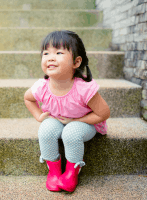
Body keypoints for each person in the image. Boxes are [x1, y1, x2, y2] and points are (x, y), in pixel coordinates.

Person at [24, 30, 110, 192]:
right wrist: (38, 115)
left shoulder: (83, 89)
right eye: (46, 53)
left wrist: (77, 121)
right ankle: (54, 172)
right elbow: (28, 98)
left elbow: (103, 113)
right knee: (45, 129)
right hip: (56, 119)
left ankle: (72, 172)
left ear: (76, 62)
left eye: (58, 52)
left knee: (71, 132)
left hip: (84, 123)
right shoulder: (42, 86)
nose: (50, 57)